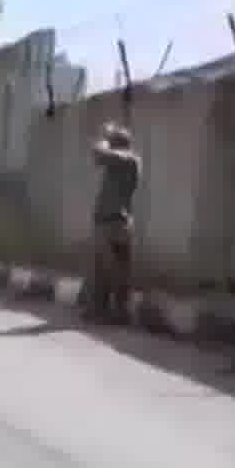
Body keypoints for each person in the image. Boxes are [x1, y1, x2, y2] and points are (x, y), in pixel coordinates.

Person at [85, 124, 141, 323]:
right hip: (110, 223)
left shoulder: (128, 159)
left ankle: (118, 313)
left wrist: (104, 135)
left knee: (113, 270)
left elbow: (99, 154)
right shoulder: (120, 163)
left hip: (115, 223)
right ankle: (101, 311)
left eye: (113, 143)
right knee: (103, 270)